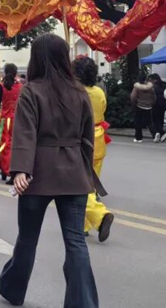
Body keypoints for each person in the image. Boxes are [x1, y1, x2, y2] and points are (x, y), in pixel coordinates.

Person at [0, 34, 100, 308]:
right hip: (74, 173)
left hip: (37, 175)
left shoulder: (31, 90)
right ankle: (83, 303)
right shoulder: (80, 92)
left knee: (27, 239)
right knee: (76, 242)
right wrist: (85, 171)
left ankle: (13, 289)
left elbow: (25, 133)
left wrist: (20, 170)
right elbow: (87, 137)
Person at [73, 56, 114, 242]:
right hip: (98, 139)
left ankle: (99, 215)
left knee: (81, 186)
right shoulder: (99, 92)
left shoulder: (75, 92)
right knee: (90, 184)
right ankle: (83, 225)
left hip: (82, 140)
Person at [0, 63, 21, 182]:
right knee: (14, 145)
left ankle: (7, 170)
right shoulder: (20, 86)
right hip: (17, 119)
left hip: (4, 119)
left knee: (3, 145)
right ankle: (8, 169)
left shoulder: (1, 86)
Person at [130, 72, 155, 142]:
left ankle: (138, 138)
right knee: (149, 122)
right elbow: (154, 97)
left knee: (138, 122)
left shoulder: (137, 88)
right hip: (148, 106)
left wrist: (134, 104)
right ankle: (155, 134)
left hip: (139, 106)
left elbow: (133, 97)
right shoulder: (151, 88)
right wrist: (151, 103)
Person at [149, 73, 166, 143]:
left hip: (156, 105)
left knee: (155, 120)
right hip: (163, 105)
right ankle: (159, 134)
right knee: (160, 119)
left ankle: (161, 133)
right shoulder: (164, 86)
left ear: (154, 80)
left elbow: (152, 97)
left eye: (150, 80)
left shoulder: (153, 87)